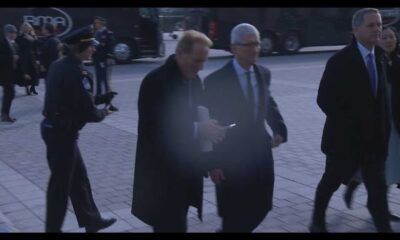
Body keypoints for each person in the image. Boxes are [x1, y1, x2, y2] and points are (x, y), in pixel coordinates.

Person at [131, 30, 226, 232]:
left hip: (184, 174)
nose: (200, 67)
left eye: (204, 61)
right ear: (180, 53)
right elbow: (153, 128)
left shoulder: (194, 81)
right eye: (197, 60)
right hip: (161, 178)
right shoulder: (155, 82)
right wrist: (198, 128)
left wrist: (213, 161)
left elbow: (202, 118)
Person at [310, 8, 392, 232]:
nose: (377, 29)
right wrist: (351, 123)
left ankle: (383, 227)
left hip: (374, 143)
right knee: (331, 182)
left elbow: (381, 101)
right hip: (345, 141)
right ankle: (317, 220)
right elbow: (324, 99)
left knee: (377, 190)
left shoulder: (381, 57)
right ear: (356, 30)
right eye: (371, 25)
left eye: (379, 24)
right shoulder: (340, 61)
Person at [203, 23, 287, 232]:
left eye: (257, 44)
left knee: (262, 206)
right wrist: (213, 163)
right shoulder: (216, 81)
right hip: (231, 158)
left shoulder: (263, 73)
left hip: (260, 153)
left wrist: (279, 129)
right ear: (234, 48)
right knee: (234, 212)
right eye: (248, 44)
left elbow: (268, 102)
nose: (255, 49)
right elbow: (210, 126)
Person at [41, 26, 116, 232]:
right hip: (61, 133)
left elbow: (69, 99)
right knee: (60, 185)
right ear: (80, 47)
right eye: (91, 46)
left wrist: (100, 98)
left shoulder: (58, 65)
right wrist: (105, 111)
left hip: (53, 128)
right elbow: (89, 113)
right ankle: (52, 229)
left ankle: (92, 220)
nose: (93, 49)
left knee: (78, 178)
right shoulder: (79, 72)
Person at [343, 26, 400, 221]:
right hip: (380, 124)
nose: (389, 40)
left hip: (396, 123)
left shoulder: (396, 61)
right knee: (383, 165)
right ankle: (358, 188)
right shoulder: (374, 62)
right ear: (377, 41)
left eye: (392, 37)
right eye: (384, 37)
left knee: (391, 166)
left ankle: (378, 204)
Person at [93, 16, 118, 112]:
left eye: (97, 23)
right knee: (99, 83)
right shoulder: (97, 33)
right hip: (97, 61)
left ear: (102, 23)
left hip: (104, 61)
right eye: (95, 23)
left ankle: (109, 104)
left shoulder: (107, 33)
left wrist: (109, 57)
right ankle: (96, 103)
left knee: (106, 83)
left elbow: (111, 47)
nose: (96, 25)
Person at [0, 24, 19, 122]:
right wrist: (11, 58)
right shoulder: (2, 43)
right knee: (10, 93)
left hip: (12, 73)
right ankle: (5, 115)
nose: (13, 34)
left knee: (9, 93)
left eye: (15, 32)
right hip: (4, 74)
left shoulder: (14, 44)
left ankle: (4, 114)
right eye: (11, 32)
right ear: (6, 33)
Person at [15, 22, 40, 95]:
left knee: (34, 71)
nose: (26, 29)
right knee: (26, 72)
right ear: (22, 29)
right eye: (24, 28)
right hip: (23, 57)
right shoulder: (19, 37)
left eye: (27, 27)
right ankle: (27, 88)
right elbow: (17, 47)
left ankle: (33, 87)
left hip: (32, 57)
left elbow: (36, 48)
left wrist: (37, 58)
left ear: (30, 28)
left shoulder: (33, 36)